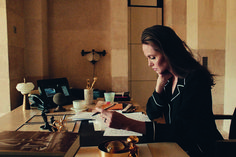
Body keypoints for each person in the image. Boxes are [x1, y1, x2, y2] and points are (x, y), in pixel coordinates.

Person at [96, 25, 223, 157]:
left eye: (152, 57)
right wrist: (159, 86)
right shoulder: (169, 77)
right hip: (176, 146)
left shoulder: (196, 78)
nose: (149, 64)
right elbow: (151, 113)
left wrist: (127, 124)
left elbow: (182, 130)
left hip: (198, 150)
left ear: (169, 53)